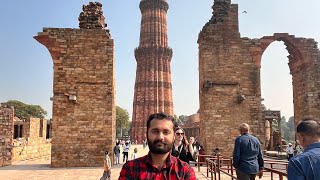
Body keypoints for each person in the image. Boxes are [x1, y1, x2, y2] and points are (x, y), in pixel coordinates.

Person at [119, 112, 196, 179]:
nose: (160, 137)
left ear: (173, 137)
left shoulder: (185, 171)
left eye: (166, 132)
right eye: (155, 131)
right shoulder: (131, 168)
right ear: (147, 135)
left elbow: (193, 157)